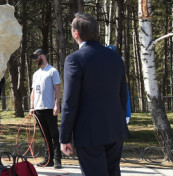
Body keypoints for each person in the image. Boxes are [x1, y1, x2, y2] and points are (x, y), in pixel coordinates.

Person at [59, 13, 129, 176]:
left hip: (89, 132)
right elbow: (122, 94)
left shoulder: (75, 59)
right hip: (115, 128)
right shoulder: (114, 56)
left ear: (76, 33)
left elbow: (70, 101)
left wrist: (65, 137)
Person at [29, 48, 62, 169]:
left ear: (42, 56)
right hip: (38, 109)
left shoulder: (52, 71)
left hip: (49, 107)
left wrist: (57, 105)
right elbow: (33, 91)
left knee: (54, 134)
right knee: (45, 135)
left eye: (36, 57)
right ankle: (49, 159)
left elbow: (57, 89)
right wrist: (32, 107)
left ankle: (58, 160)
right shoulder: (36, 74)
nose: (35, 59)